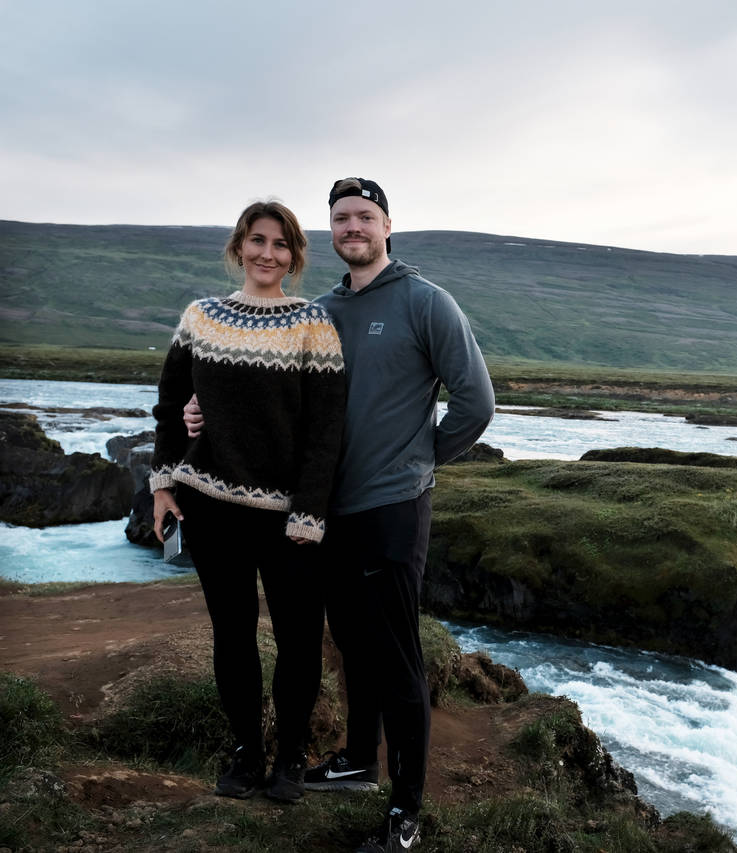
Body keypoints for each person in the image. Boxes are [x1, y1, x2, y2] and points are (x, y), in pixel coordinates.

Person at [185, 178, 494, 852]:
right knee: (351, 642)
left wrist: (417, 459)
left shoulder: (425, 302)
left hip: (390, 508)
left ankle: (406, 812)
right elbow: (268, 401)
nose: (353, 227)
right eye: (341, 218)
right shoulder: (318, 312)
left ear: (388, 225)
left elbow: (476, 401)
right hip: (322, 511)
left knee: (397, 656)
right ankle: (358, 757)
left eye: (365, 216)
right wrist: (197, 414)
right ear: (330, 231)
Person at [151, 200, 346, 804]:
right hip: (210, 507)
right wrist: (161, 484)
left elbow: (326, 430)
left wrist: (310, 513)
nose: (268, 253)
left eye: (281, 244)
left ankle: (290, 754)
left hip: (289, 519)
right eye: (257, 241)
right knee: (232, 637)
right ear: (239, 247)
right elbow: (170, 405)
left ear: (295, 255)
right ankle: (246, 752)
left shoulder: (314, 324)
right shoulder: (201, 318)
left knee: (297, 638)